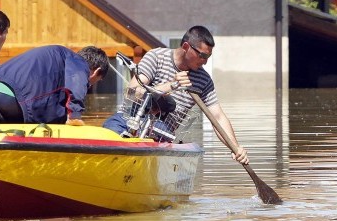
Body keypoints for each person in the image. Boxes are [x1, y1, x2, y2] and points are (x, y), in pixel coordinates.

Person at [103, 25, 249, 164]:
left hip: (161, 132)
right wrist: (172, 85)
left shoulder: (204, 80)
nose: (205, 62)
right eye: (202, 56)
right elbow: (134, 91)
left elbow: (217, 117)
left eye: (208, 57)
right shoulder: (156, 57)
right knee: (108, 130)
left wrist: (235, 148)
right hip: (128, 119)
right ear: (186, 47)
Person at [0, 45, 109, 125]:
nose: (89, 86)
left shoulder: (56, 55)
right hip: (10, 100)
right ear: (96, 72)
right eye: (93, 82)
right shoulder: (78, 62)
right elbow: (77, 81)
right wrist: (75, 116)